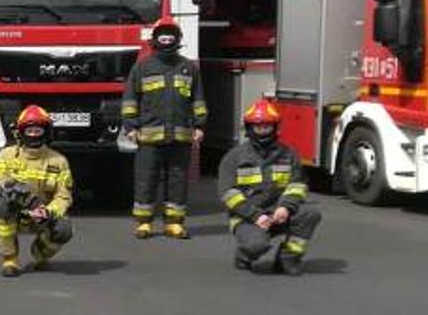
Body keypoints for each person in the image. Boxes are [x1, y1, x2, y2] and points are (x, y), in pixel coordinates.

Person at [121, 18, 205, 239]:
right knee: (145, 180)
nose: (167, 40)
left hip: (180, 137)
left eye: (170, 37)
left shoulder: (188, 68)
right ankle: (144, 223)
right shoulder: (142, 67)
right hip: (149, 137)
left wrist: (200, 125)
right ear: (155, 39)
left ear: (177, 39)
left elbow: (198, 99)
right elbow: (130, 99)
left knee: (177, 181)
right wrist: (130, 126)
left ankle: (174, 223)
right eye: (163, 37)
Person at [219, 100, 321, 275]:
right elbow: (228, 194)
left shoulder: (289, 154)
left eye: (267, 127)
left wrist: (286, 207)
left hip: (278, 213)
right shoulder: (234, 157)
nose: (263, 131)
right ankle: (244, 255)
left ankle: (288, 258)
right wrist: (255, 216)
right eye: (258, 127)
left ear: (275, 127)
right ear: (249, 128)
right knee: (257, 245)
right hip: (247, 218)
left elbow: (298, 185)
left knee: (310, 214)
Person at [0, 106, 75, 278]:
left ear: (46, 132)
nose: (34, 134)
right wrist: (24, 199)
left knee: (64, 229)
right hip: (16, 210)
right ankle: (10, 258)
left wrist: (48, 212)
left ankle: (40, 254)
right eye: (30, 130)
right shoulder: (7, 155)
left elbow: (64, 196)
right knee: (2, 207)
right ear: (21, 132)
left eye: (38, 130)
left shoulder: (59, 161)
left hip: (43, 214)